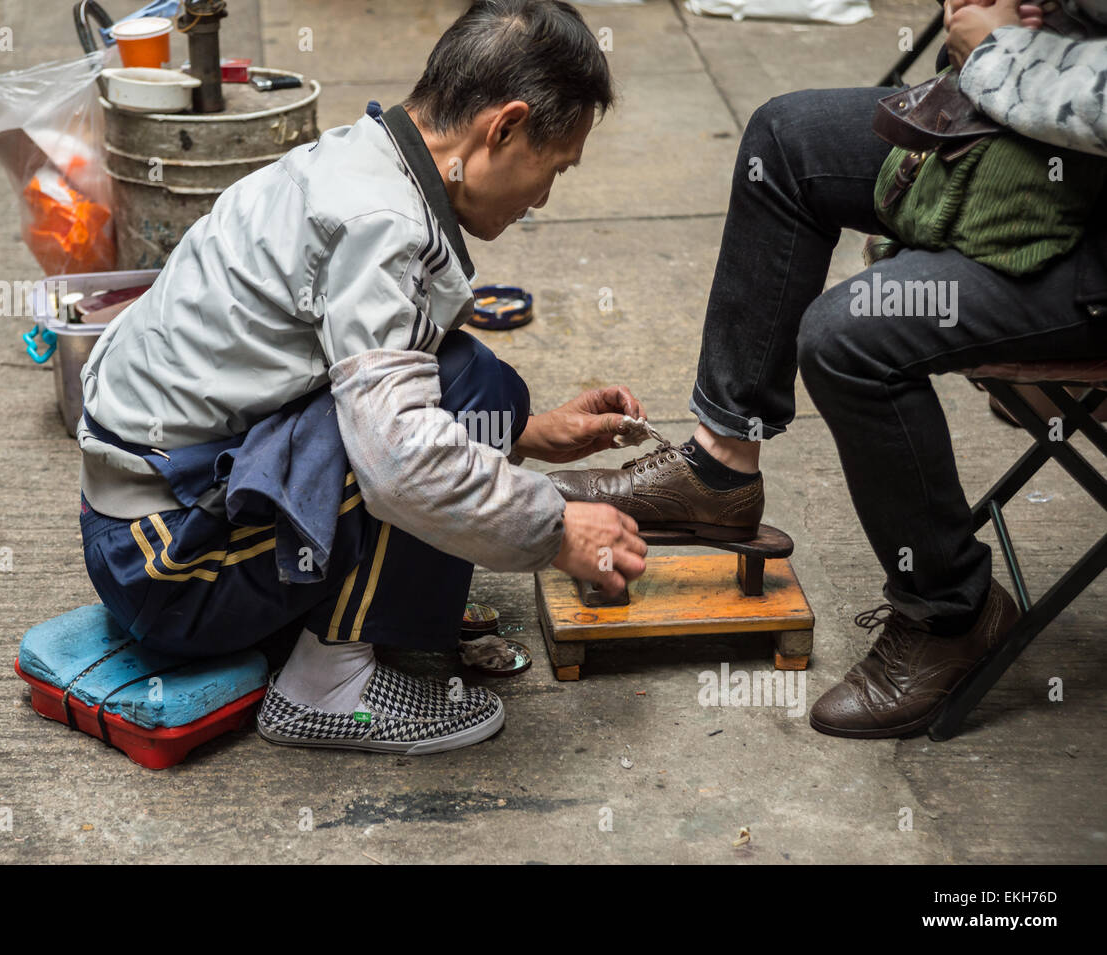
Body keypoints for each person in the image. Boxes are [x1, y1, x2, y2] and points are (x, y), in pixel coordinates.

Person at [76, 0, 648, 755]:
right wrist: (556, 528)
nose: (543, 198)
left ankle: (354, 621)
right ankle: (326, 687)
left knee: (480, 387)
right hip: (166, 563)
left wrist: (531, 434)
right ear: (503, 128)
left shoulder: (368, 155)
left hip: (157, 508)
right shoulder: (379, 221)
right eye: (554, 169)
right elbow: (401, 464)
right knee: (440, 414)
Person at [550, 0, 1107, 738]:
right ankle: (720, 470)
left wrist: (997, 52)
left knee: (849, 338)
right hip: (1024, 131)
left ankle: (952, 610)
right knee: (784, 141)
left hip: (1086, 210)